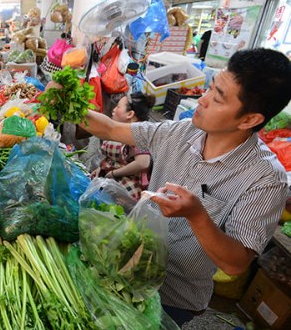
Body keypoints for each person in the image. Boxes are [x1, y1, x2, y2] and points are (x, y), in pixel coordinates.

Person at [78, 48, 291, 326]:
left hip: (174, 296)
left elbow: (236, 263)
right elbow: (110, 130)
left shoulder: (265, 179)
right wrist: (65, 105)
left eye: (217, 98)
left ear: (249, 119)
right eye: (210, 88)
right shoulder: (181, 131)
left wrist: (197, 215)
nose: (202, 100)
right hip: (124, 268)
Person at [90, 93, 154, 201]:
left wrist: (113, 173)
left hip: (125, 191)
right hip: (111, 181)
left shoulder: (139, 134)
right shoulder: (122, 131)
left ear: (130, 114)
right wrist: (101, 168)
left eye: (118, 107)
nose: (114, 110)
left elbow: (143, 162)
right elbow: (116, 160)